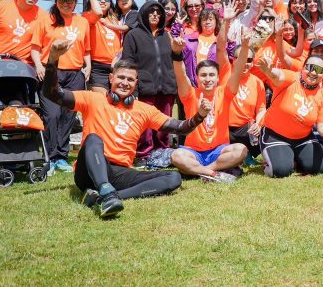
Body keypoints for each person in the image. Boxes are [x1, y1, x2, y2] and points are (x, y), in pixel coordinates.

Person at [42, 40, 211, 218]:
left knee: (173, 178)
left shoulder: (144, 110)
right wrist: (53, 59)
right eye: (121, 77)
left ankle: (107, 197)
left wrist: (199, 115)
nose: (125, 83)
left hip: (120, 173)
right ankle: (106, 190)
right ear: (111, 78)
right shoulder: (92, 99)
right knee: (93, 138)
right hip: (89, 170)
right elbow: (52, 93)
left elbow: (181, 128)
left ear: (136, 83)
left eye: (130, 79)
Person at [169, 29, 251, 182]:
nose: (207, 79)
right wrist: (176, 54)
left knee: (241, 150)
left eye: (211, 75)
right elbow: (180, 74)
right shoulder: (190, 94)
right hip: (194, 152)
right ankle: (213, 173)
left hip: (218, 151)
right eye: (203, 75)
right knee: (176, 156)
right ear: (197, 77)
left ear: (218, 78)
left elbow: (238, 70)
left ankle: (204, 171)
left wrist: (245, 47)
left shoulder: (225, 93)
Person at [31, 0, 93, 174]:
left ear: (75, 2)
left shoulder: (82, 21)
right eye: (62, 0)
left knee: (68, 116)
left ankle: (61, 156)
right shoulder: (45, 20)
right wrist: (39, 66)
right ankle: (49, 157)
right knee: (52, 115)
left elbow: (87, 49)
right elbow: (34, 48)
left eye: (70, 0)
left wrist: (88, 65)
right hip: (52, 72)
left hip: (75, 74)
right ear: (56, 1)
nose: (66, 3)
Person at [254, 51, 323, 178]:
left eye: (319, 70)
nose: (313, 73)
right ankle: (278, 161)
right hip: (275, 134)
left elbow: (322, 128)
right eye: (310, 67)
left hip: (303, 138)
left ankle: (291, 158)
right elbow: (277, 76)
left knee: (320, 168)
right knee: (281, 171)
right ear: (303, 68)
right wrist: (269, 71)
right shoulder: (292, 78)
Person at [120, 0, 177, 165]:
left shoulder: (166, 35)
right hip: (145, 88)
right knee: (145, 125)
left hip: (167, 87)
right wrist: (133, 87)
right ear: (143, 13)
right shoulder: (133, 35)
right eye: (151, 11)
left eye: (159, 12)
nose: (155, 15)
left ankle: (162, 152)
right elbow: (127, 62)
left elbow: (174, 59)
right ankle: (144, 154)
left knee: (164, 122)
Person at [83, 0, 127, 93]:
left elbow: (124, 40)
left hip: (116, 66)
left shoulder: (116, 19)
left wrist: (118, 56)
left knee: (115, 101)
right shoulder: (88, 17)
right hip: (97, 67)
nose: (103, 1)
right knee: (101, 100)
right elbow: (97, 13)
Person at [180, 7, 221, 87]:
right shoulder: (188, 39)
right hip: (191, 85)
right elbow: (178, 59)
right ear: (200, 22)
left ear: (216, 22)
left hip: (213, 85)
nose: (207, 22)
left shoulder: (221, 42)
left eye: (210, 19)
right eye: (204, 19)